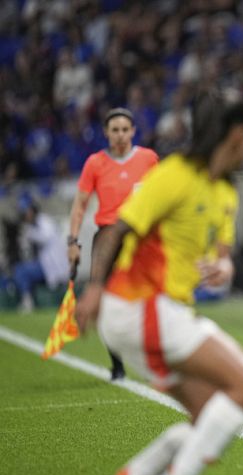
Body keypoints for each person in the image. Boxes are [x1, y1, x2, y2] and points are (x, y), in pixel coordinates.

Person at [75, 92, 243, 475]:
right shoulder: (174, 176)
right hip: (141, 307)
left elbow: (222, 253)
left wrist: (224, 267)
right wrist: (95, 287)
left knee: (206, 426)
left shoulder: (224, 191)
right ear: (236, 135)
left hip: (161, 313)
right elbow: (117, 230)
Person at [68, 107, 158, 379]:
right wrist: (73, 241)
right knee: (104, 302)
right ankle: (117, 365)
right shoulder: (95, 163)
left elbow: (161, 197)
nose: (119, 135)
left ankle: (155, 357)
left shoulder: (149, 159)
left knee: (150, 297)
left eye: (124, 129)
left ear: (133, 132)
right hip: (106, 238)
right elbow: (80, 205)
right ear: (106, 133)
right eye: (114, 130)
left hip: (141, 237)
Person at [13, 195, 71, 313]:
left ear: (33, 209)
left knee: (21, 271)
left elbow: (44, 237)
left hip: (55, 266)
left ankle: (28, 302)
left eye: (28, 211)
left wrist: (28, 233)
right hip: (47, 266)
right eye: (24, 213)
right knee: (20, 270)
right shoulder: (32, 226)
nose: (26, 215)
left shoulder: (44, 221)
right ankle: (27, 299)